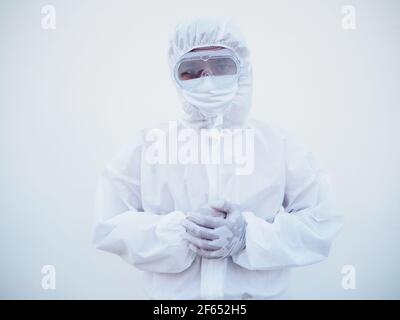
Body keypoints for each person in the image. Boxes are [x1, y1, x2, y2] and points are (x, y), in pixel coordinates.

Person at [93, 18, 343, 299]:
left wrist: (248, 237)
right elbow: (108, 223)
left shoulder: (278, 144)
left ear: (243, 68)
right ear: (176, 75)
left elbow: (322, 220)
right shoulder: (149, 144)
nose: (208, 80)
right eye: (192, 70)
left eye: (222, 66)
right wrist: (179, 232)